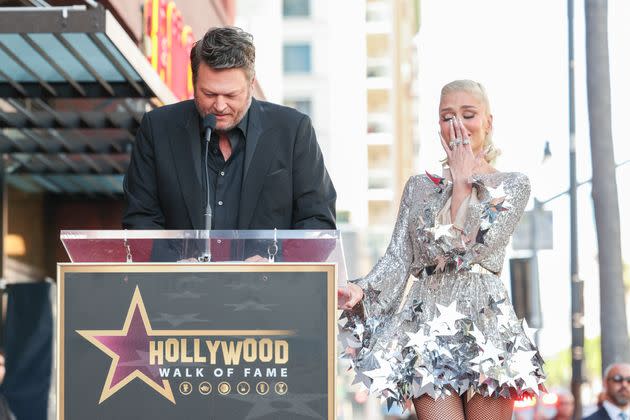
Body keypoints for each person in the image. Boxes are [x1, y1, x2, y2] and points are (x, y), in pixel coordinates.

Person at [338, 80, 545, 420]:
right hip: (428, 323)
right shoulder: (420, 187)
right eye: (448, 116)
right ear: (438, 125)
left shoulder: (512, 184)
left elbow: (468, 248)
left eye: (468, 115)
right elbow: (398, 257)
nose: (458, 126)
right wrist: (361, 290)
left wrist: (463, 185)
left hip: (487, 324)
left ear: (488, 123)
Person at [123, 26, 336, 232]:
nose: (220, 106)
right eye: (209, 94)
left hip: (267, 270)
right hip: (181, 270)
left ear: (251, 84)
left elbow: (317, 221)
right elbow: (140, 219)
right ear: (194, 82)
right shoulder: (157, 128)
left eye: (231, 95)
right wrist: (175, 265)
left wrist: (274, 260)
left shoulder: (293, 130)